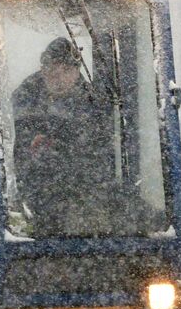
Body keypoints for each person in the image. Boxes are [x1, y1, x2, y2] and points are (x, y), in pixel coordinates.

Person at [11, 38, 115, 235]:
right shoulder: (24, 100)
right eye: (52, 71)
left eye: (66, 71)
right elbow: (17, 154)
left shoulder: (95, 104)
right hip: (37, 198)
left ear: (77, 71)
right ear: (42, 70)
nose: (58, 78)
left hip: (85, 194)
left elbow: (102, 157)